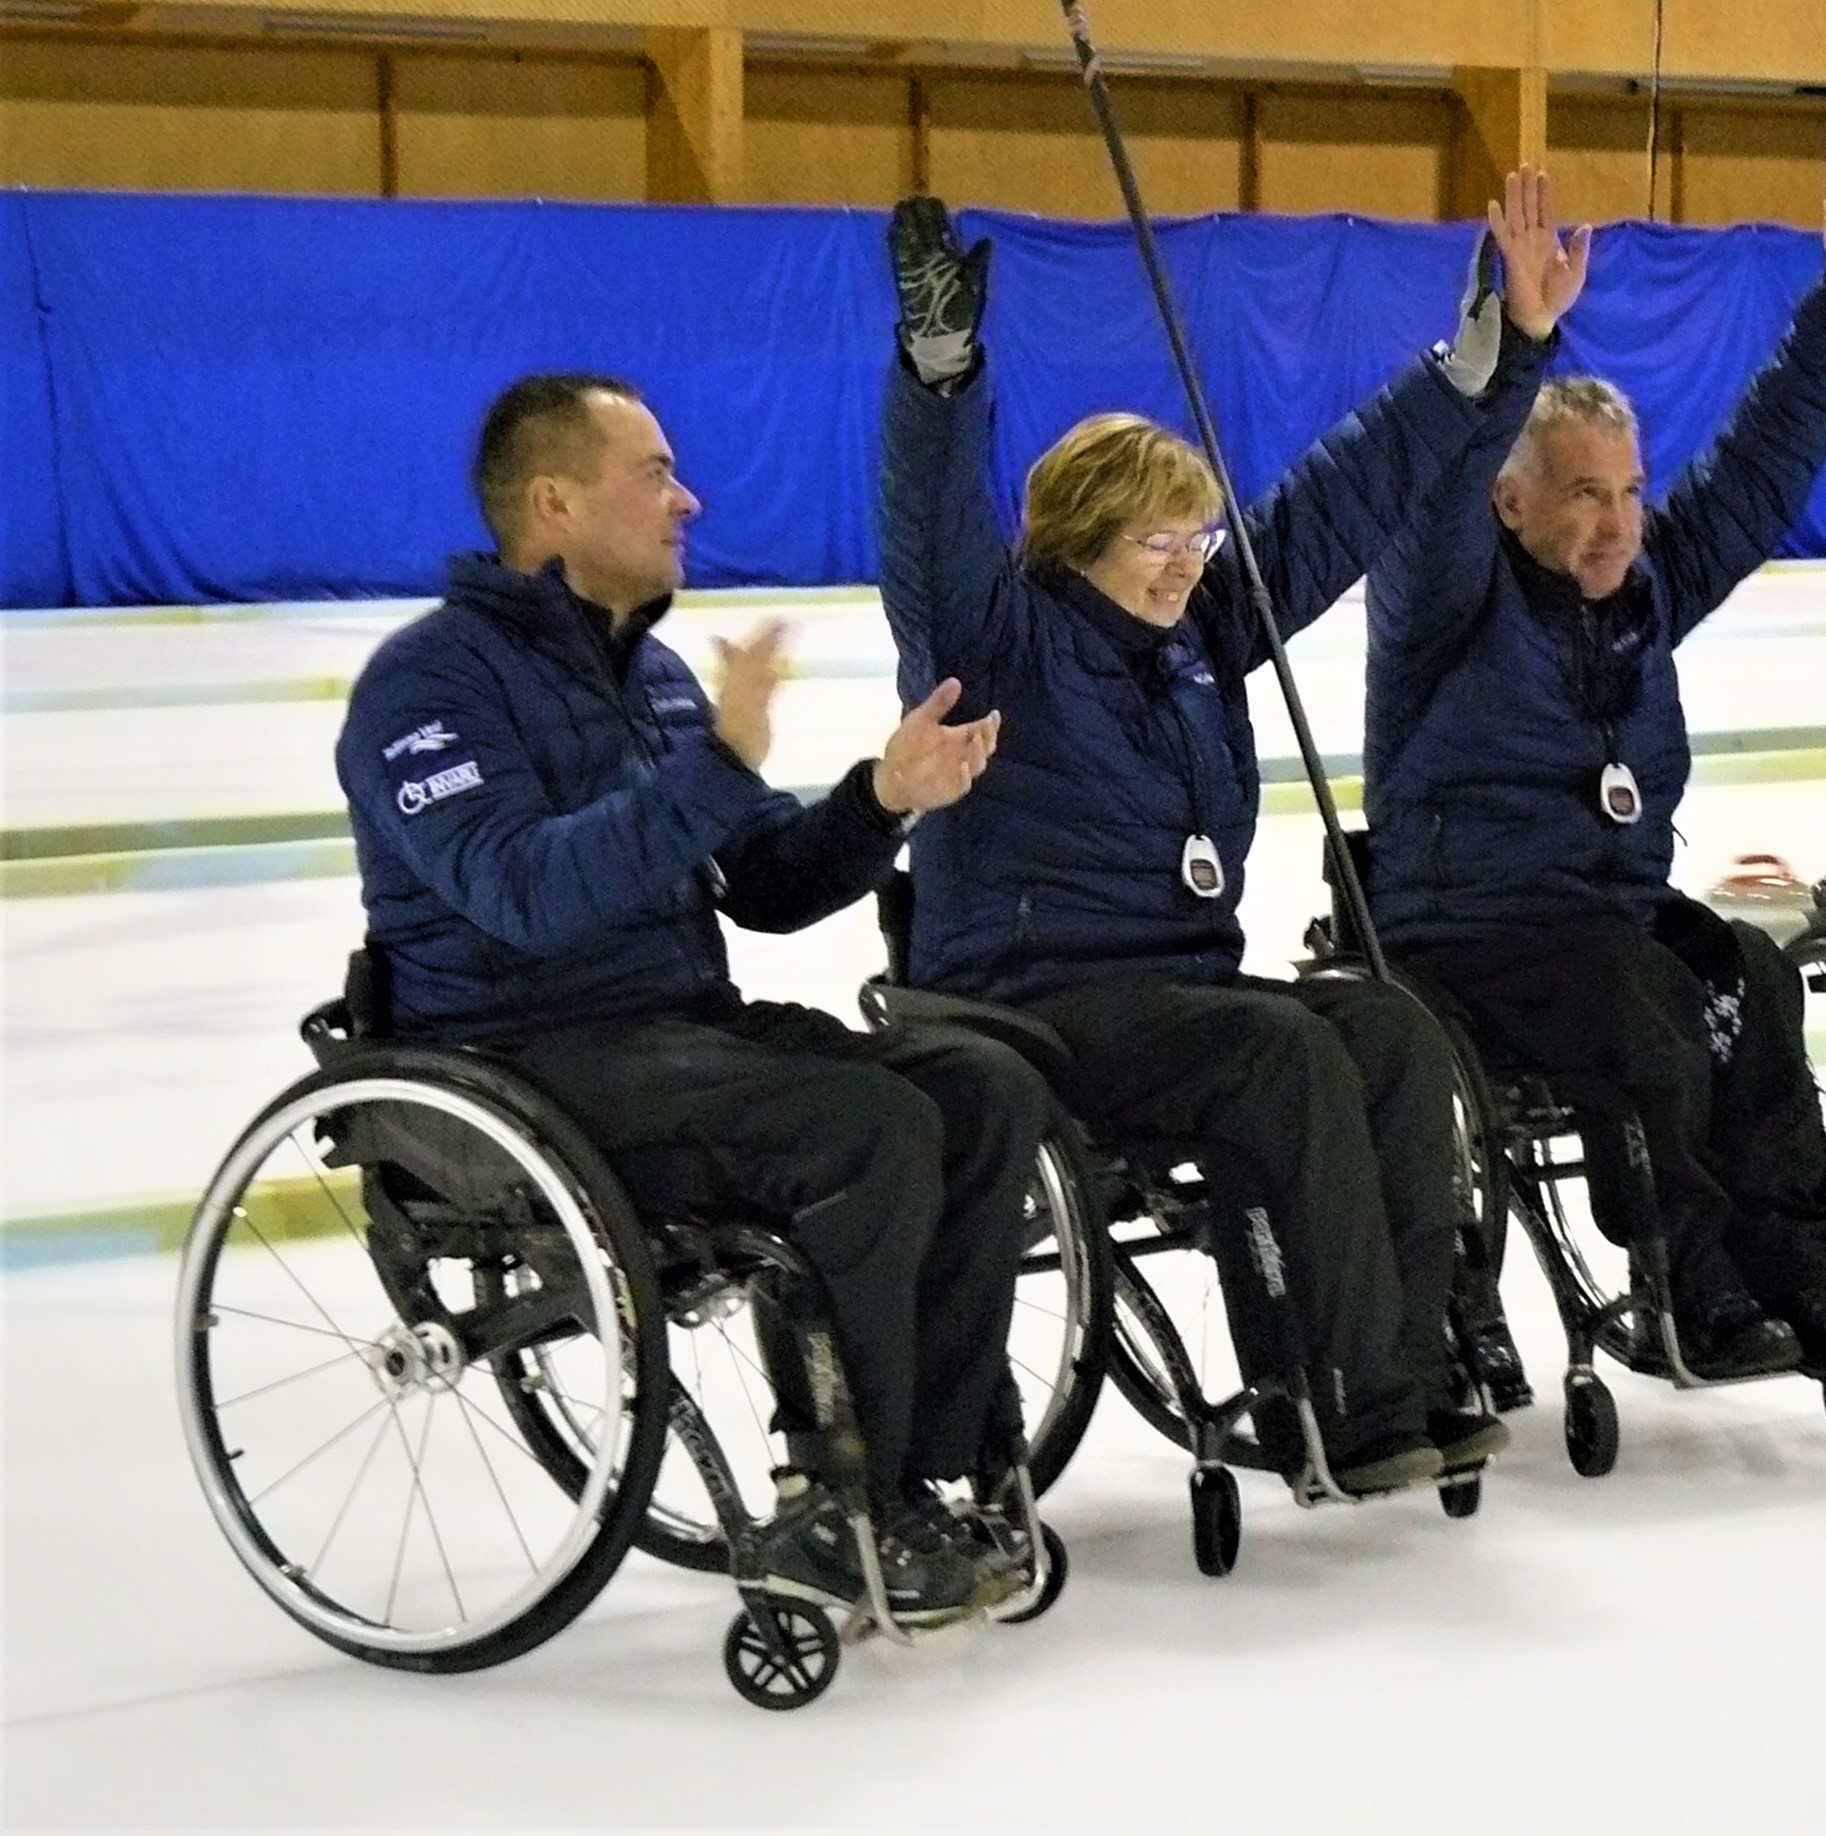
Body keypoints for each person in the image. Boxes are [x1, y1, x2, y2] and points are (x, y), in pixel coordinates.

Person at [876, 173, 1588, 1497]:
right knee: (1276, 1054)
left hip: (1182, 994)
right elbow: (928, 528)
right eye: (1153, 536)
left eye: (1195, 533)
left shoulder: (1200, 634)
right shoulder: (996, 640)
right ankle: (1342, 1396)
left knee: (1385, 1028)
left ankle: (1422, 1359)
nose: (1184, 559)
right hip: (1033, 1005)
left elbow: (1342, 496)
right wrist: (938, 372)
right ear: (1078, 538)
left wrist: (1492, 359)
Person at [336, 372, 1056, 1625]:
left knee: (980, 1085)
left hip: (675, 1037)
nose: (689, 499)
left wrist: (881, 799)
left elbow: (764, 887)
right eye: (655, 472)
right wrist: (715, 766)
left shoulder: (653, 675)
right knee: (858, 1126)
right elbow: (523, 894)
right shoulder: (425, 690)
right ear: (554, 500)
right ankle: (838, 1499)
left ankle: (932, 1470)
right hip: (514, 1063)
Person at [1359, 141, 1826, 1385]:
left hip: (1605, 915)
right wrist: (1512, 341)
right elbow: (1438, 482)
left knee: (1755, 986)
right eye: (1582, 495)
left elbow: (1761, 469)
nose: (1615, 522)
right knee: (1649, 1016)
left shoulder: (1642, 586)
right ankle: (1693, 1297)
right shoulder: (1442, 595)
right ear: (1511, 502)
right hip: (1471, 926)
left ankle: (1805, 1285)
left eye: (1630, 491)